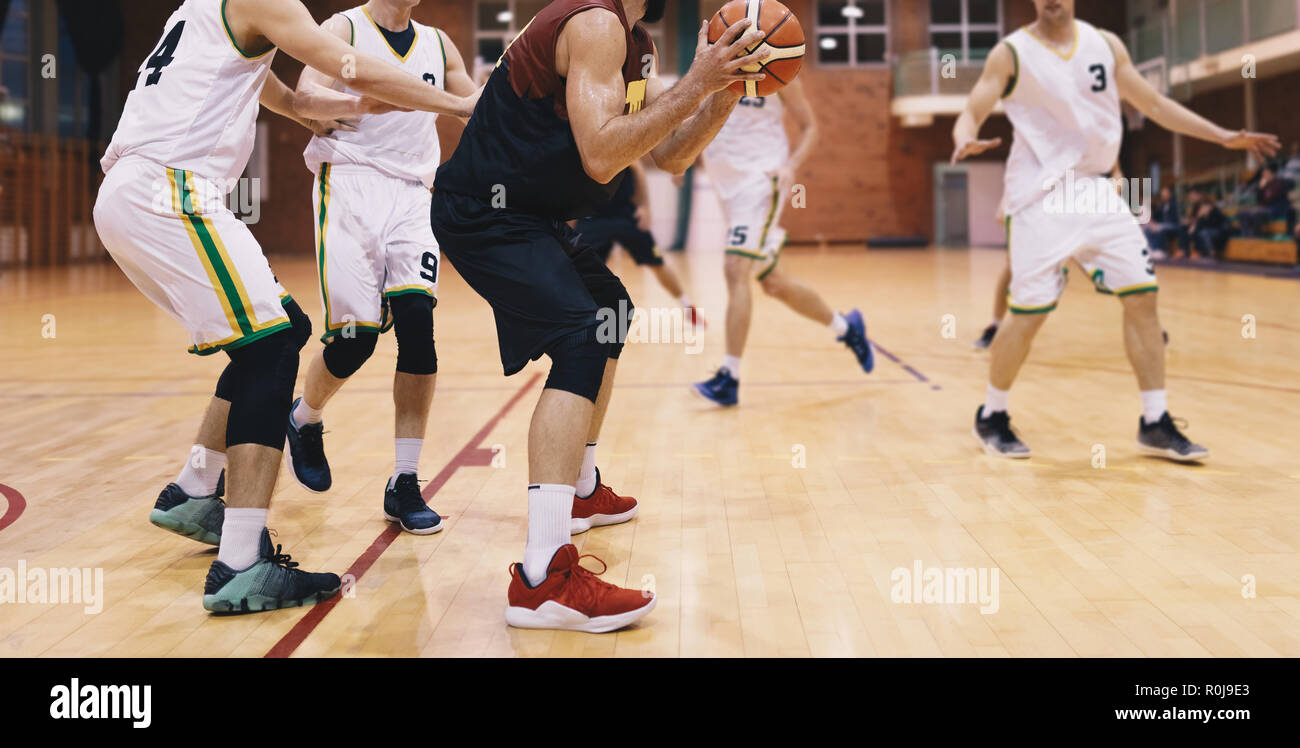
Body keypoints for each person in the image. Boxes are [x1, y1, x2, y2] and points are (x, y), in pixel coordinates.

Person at [95, 0, 474, 613]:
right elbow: (348, 64)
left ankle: (195, 488)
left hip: (149, 190)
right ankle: (240, 563)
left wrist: (350, 107)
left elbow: (292, 102)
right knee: (274, 346)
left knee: (282, 331)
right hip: (167, 190)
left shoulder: (207, 11)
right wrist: (458, 104)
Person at [430, 0, 768, 631]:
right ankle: (542, 579)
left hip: (529, 217)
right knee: (583, 334)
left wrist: (719, 99)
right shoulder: (594, 24)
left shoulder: (635, 42)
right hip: (485, 212)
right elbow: (601, 155)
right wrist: (700, 81)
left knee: (610, 310)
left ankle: (581, 488)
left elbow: (667, 156)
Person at [952, 0, 1278, 462]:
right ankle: (992, 413)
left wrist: (1221, 136)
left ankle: (1154, 421)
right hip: (1040, 197)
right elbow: (974, 107)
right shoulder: (1012, 53)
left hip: (1098, 189)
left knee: (1143, 297)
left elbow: (1154, 103)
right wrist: (963, 136)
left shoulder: (1105, 44)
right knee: (1028, 315)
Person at [278, 0, 477, 536]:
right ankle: (304, 418)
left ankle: (405, 481)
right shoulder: (342, 27)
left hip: (414, 194)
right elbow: (304, 97)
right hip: (349, 184)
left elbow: (469, 101)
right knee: (354, 339)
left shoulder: (439, 42)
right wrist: (367, 101)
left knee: (418, 327)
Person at [693, 76, 874, 407]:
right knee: (775, 283)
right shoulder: (717, 63)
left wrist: (790, 166)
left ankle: (728, 378)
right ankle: (847, 327)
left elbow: (810, 127)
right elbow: (699, 115)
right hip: (727, 186)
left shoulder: (780, 68)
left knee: (735, 269)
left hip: (760, 181)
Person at [573, 158, 706, 329]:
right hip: (593, 217)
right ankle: (580, 318)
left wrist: (644, 206)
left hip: (626, 215)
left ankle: (688, 308)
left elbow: (639, 170)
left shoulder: (619, 142)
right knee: (581, 271)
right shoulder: (581, 147)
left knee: (657, 264)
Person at [1144, 185, 1180, 260]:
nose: (1163, 196)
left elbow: (1175, 219)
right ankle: (1152, 250)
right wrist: (1153, 223)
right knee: (1148, 229)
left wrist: (1160, 225)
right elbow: (1157, 217)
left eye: (1165, 194)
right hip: (1164, 225)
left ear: (1169, 194)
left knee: (1160, 229)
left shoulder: (1175, 204)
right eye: (1162, 194)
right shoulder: (1162, 205)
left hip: (1173, 225)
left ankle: (1161, 251)